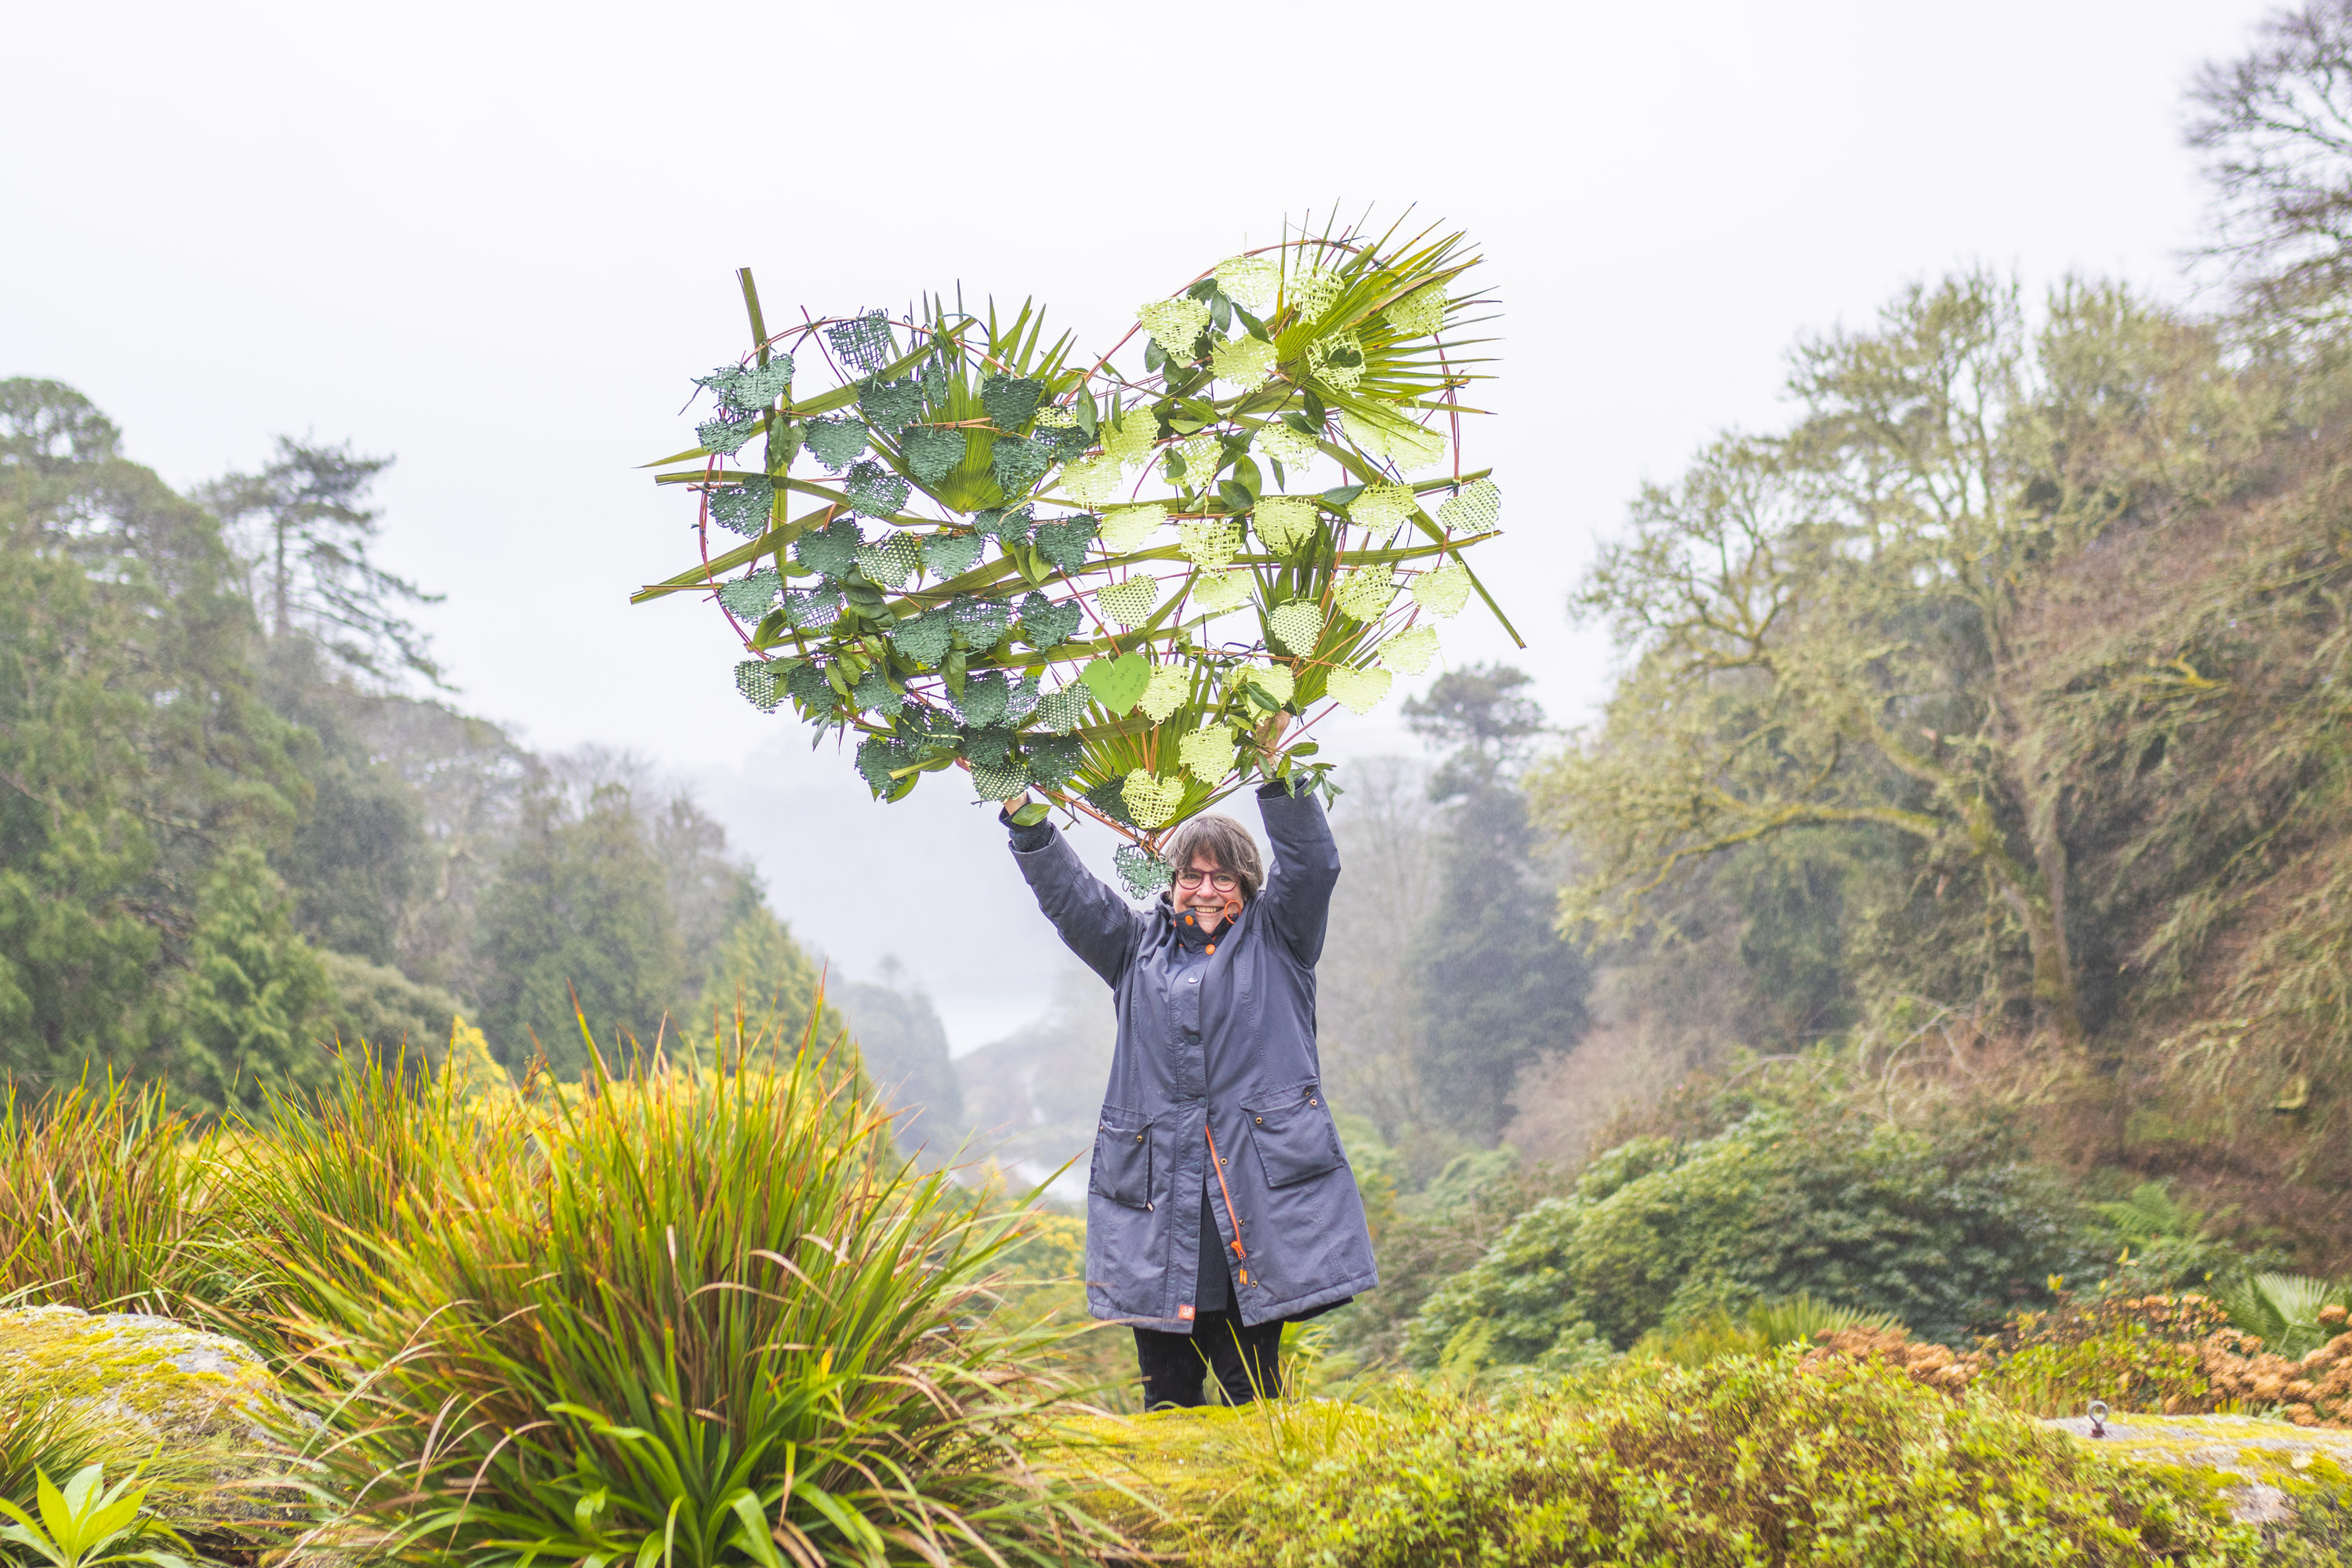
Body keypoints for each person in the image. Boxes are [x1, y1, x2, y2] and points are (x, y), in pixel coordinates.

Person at [996, 766, 1377, 1409]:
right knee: (1167, 1396)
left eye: (1223, 878)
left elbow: (1314, 866)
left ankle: (1260, 1476)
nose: (1205, 890)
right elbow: (1069, 895)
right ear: (1171, 883)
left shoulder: (1281, 936)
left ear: (1247, 884)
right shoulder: (1131, 945)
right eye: (1191, 876)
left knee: (1251, 1392)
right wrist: (1019, 810)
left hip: (1254, 1200)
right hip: (1158, 1203)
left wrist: (1277, 770)